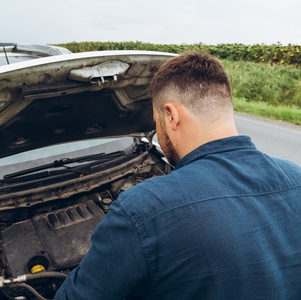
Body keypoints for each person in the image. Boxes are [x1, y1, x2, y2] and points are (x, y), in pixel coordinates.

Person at [54, 52, 301, 299]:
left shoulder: (144, 210)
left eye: (156, 122)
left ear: (171, 116)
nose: (158, 133)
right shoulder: (296, 178)